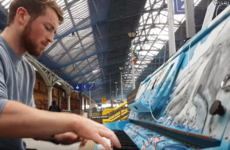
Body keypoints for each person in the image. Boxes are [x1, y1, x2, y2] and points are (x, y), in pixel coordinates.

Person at [0, 0, 121, 150]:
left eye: (54, 32)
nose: (51, 39)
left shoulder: (28, 70)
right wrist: (74, 122)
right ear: (22, 15)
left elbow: (30, 123)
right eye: (48, 28)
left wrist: (56, 135)